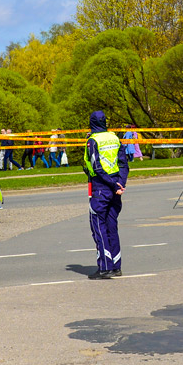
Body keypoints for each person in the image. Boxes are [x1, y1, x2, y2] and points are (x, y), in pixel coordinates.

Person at [84, 110, 125, 280]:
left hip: (101, 187)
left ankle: (105, 267)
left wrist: (111, 183)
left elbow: (96, 166)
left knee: (98, 227)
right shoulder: (115, 138)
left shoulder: (92, 141)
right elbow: (124, 163)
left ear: (92, 123)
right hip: (115, 186)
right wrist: (120, 183)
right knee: (111, 226)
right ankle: (116, 266)